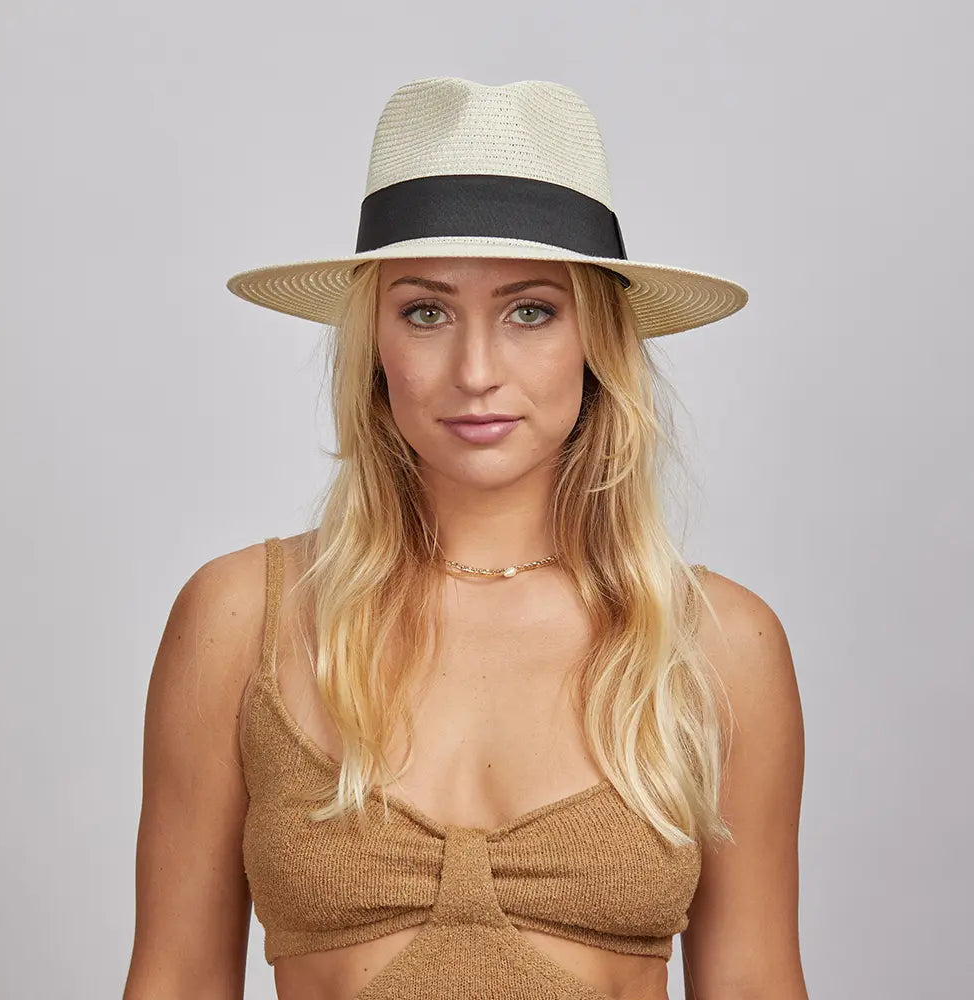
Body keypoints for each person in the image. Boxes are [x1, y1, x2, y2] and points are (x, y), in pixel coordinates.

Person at [124, 78, 809, 1000]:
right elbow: (173, 979)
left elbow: (758, 983)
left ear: (595, 341)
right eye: (426, 312)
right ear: (375, 341)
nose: (477, 371)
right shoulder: (242, 616)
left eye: (531, 310)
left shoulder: (717, 645)